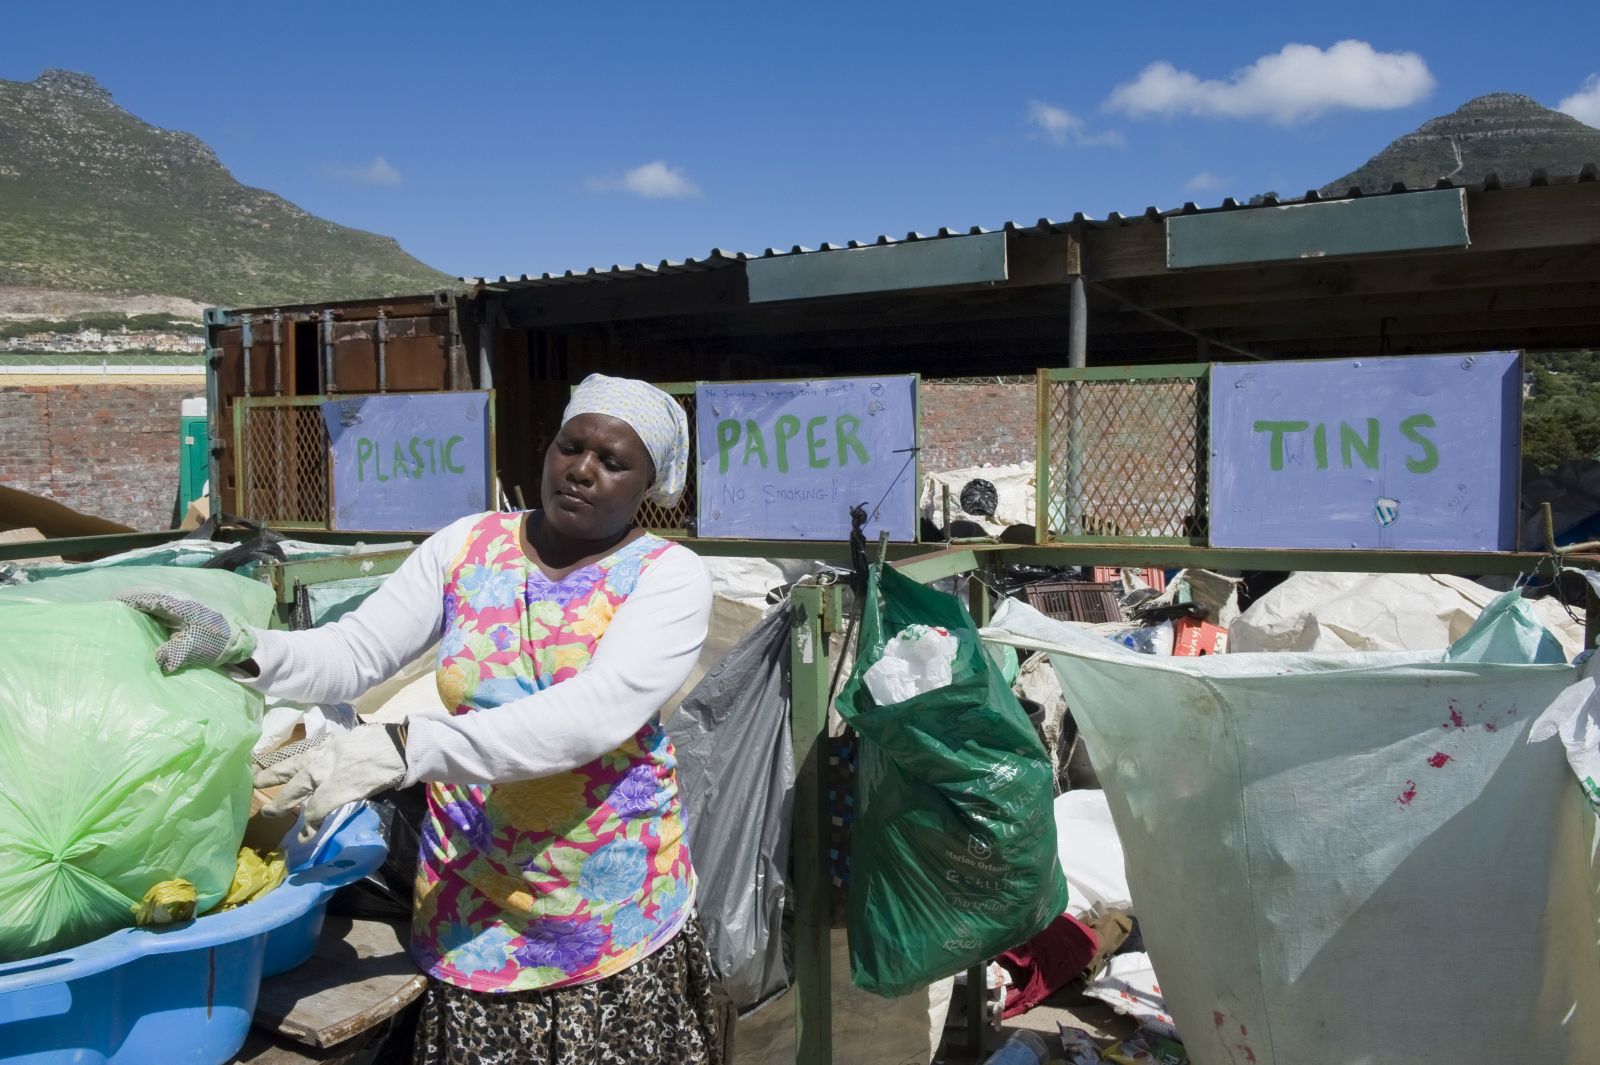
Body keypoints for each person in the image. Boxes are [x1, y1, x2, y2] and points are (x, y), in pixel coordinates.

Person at [123, 374, 720, 1065]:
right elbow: (356, 652)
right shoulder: (468, 546)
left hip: (606, 903)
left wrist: (404, 747)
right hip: (473, 897)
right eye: (570, 446)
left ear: (648, 484)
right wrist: (244, 646)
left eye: (613, 462)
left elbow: (594, 714)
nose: (581, 470)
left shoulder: (667, 576)